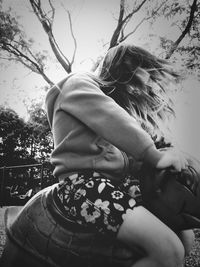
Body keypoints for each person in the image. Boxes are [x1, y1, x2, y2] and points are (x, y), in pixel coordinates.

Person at [44, 43, 193, 267]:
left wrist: (159, 163)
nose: (139, 90)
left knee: (186, 237)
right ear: (123, 69)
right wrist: (152, 154)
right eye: (137, 80)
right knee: (167, 251)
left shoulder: (109, 115)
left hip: (114, 185)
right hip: (83, 187)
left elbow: (127, 154)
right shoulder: (77, 84)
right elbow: (112, 118)